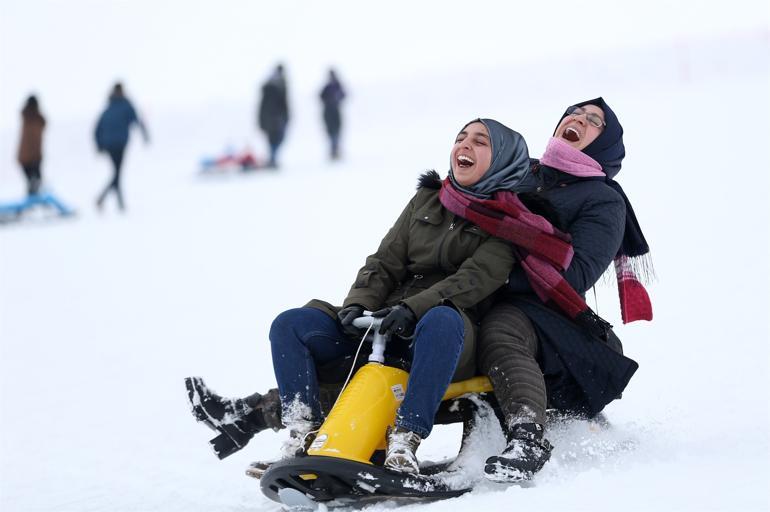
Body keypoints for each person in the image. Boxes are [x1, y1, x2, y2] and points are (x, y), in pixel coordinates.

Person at [186, 118, 536, 475]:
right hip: (385, 324)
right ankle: (302, 431)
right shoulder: (427, 200)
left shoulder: (510, 225)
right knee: (292, 324)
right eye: (461, 137)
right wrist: (360, 303)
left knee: (441, 318)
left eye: (480, 142)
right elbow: (385, 261)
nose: (465, 145)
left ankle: (406, 439)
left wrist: (412, 310)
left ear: (503, 159)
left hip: (446, 336)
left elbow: (472, 282)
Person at [476, 97, 651, 482]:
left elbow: (578, 274)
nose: (579, 119)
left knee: (500, 329)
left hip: (550, 315)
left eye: (594, 121)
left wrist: (496, 278)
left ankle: (528, 438)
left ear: (605, 143)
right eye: (574, 112)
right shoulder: (521, 174)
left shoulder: (602, 199)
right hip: (480, 291)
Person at [94, 82, 149, 212]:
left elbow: (98, 129)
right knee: (117, 173)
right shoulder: (122, 105)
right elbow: (98, 128)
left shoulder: (111, 106)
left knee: (116, 173)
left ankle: (115, 202)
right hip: (117, 144)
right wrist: (144, 134)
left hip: (113, 144)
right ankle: (107, 200)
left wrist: (99, 144)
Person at [257, 64, 289, 168]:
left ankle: (272, 158)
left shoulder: (277, 83)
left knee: (276, 139)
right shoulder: (277, 85)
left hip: (274, 117)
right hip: (275, 118)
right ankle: (272, 159)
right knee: (275, 138)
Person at [17, 95, 46, 196]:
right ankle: (32, 200)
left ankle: (34, 199)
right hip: (31, 158)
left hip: (29, 157)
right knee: (34, 182)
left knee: (34, 182)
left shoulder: (29, 118)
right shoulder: (31, 118)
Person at [319, 68, 346, 160]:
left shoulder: (338, 86)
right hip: (328, 112)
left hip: (335, 112)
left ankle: (335, 149)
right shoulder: (327, 87)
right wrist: (329, 101)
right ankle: (333, 150)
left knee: (336, 131)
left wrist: (336, 99)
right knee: (331, 132)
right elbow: (320, 97)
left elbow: (344, 95)